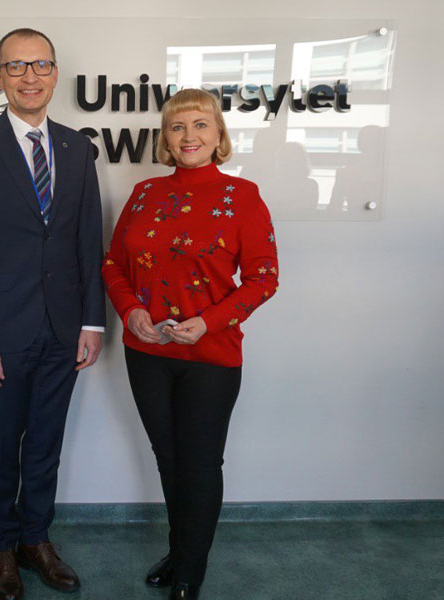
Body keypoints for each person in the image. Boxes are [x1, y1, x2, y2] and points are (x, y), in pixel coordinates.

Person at [0, 28, 105, 600]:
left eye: (39, 65)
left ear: (55, 73)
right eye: (16, 66)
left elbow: (88, 240)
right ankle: (3, 548)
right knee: (1, 445)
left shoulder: (77, 148)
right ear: (0, 76)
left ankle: (37, 539)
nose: (29, 76)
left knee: (45, 443)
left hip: (64, 327)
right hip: (1, 332)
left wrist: (92, 321)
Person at [101, 88, 279, 600]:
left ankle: (190, 570)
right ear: (166, 137)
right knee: (169, 459)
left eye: (200, 124)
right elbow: (113, 264)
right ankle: (181, 551)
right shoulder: (144, 194)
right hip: (148, 353)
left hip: (211, 356)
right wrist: (130, 311)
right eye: (178, 126)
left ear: (219, 134)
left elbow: (264, 278)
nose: (189, 136)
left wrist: (209, 322)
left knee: (200, 465)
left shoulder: (243, 196)